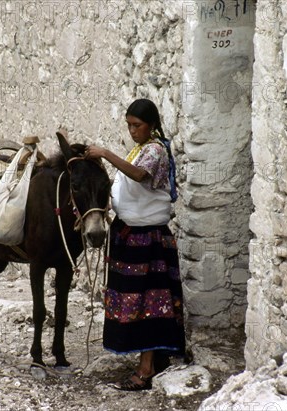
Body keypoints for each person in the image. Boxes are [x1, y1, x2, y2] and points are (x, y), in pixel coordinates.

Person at [84, 98, 186, 391]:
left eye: (137, 125)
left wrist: (105, 153)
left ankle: (145, 370)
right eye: (129, 125)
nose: (132, 131)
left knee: (149, 301)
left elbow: (139, 176)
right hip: (131, 236)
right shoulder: (139, 149)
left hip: (148, 241)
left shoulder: (154, 151)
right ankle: (153, 360)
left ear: (151, 125)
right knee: (138, 300)